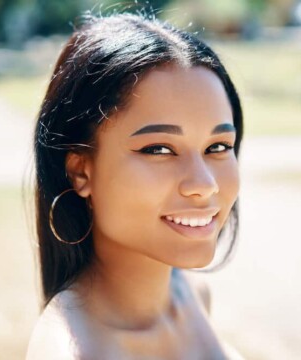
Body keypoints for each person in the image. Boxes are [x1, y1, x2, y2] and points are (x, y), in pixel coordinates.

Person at [26, 11, 244, 360]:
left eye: (217, 147)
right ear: (81, 171)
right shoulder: (72, 351)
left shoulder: (192, 293)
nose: (205, 185)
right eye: (159, 149)